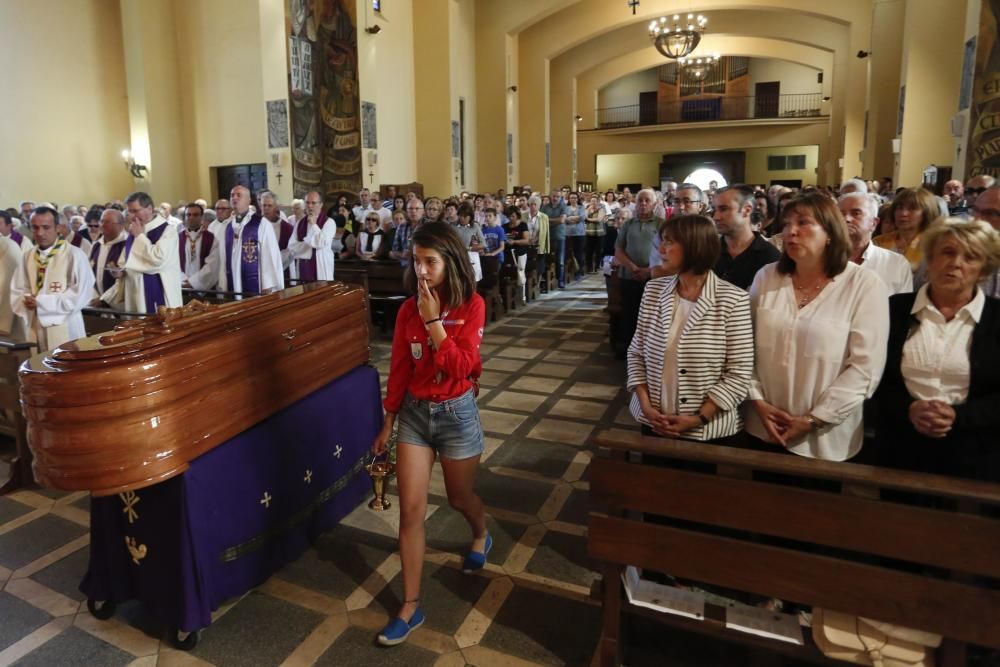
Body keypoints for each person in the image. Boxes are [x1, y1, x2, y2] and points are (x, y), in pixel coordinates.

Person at [371, 222, 487, 647]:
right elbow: (400, 368)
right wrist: (387, 420)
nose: (420, 271)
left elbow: (463, 368)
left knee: (460, 498)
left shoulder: (472, 305)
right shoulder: (406, 311)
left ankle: (479, 532)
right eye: (416, 261)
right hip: (416, 418)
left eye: (430, 262)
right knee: (411, 512)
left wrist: (435, 321)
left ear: (450, 261)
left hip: (456, 414)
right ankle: (410, 605)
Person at [747, 192, 889, 462]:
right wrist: (757, 401)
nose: (791, 232)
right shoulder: (767, 277)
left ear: (831, 232)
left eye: (803, 223)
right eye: (787, 224)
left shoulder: (863, 284)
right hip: (763, 426)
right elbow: (744, 347)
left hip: (826, 438)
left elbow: (865, 367)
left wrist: (814, 419)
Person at [875, 218, 1000, 481]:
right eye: (947, 252)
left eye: (971, 257)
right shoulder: (894, 310)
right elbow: (873, 377)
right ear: (930, 259)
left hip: (975, 455)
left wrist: (958, 416)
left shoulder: (997, 319)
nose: (956, 263)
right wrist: (908, 408)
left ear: (984, 269)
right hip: (900, 449)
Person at [627, 215, 753, 441]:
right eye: (662, 241)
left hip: (707, 428)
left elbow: (739, 371)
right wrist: (646, 407)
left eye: (669, 242)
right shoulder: (654, 290)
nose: (661, 249)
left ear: (695, 247)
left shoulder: (732, 299)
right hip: (654, 420)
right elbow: (636, 352)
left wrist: (699, 418)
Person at [11, 206, 95, 351]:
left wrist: (42, 302)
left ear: (58, 228)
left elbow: (81, 293)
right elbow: (18, 287)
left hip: (66, 325)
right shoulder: (28, 256)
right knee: (40, 367)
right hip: (35, 324)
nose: (40, 233)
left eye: (46, 227)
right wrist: (26, 300)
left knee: (69, 369)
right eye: (35, 227)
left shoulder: (74, 255)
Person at [100, 191, 183, 313]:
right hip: (135, 293)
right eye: (129, 211)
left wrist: (139, 236)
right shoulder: (135, 230)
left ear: (149, 208)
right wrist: (120, 272)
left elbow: (157, 260)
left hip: (159, 292)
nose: (131, 216)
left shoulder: (167, 231)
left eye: (135, 211)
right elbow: (126, 261)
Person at [614, 189, 661, 352]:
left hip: (654, 278)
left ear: (655, 204)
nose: (643, 204)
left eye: (647, 200)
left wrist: (648, 271)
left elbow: (667, 252)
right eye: (640, 200)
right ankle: (630, 351)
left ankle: (648, 352)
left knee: (651, 318)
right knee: (629, 314)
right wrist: (633, 268)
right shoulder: (629, 224)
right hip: (629, 276)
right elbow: (619, 249)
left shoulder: (661, 224)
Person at [838, 192, 912, 294]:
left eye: (856, 213)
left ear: (874, 223)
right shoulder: (820, 259)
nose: (846, 219)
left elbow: (901, 308)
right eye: (841, 214)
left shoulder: (896, 264)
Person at [217, 185, 284, 294]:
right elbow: (223, 259)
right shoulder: (227, 226)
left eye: (239, 195)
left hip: (256, 288)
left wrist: (268, 284)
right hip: (232, 285)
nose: (234, 198)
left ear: (248, 200)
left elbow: (270, 255)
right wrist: (223, 284)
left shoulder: (261, 224)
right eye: (232, 195)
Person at [712, 185, 781, 290]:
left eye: (723, 209)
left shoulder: (770, 257)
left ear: (746, 210)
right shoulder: (708, 251)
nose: (716, 217)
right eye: (714, 209)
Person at [873, 186, 940, 274]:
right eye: (900, 208)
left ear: (926, 213)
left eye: (912, 208)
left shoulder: (933, 244)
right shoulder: (879, 242)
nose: (903, 213)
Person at [289, 190, 336, 281]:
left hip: (322, 267)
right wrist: (310, 244)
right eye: (307, 203)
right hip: (303, 267)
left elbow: (321, 243)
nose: (310, 206)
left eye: (313, 203)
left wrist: (314, 225)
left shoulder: (329, 222)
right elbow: (292, 246)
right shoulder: (300, 223)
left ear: (321, 204)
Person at [89, 208, 129, 301]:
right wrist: (95, 297)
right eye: (102, 221)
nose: (102, 225)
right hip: (95, 300)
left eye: (108, 222)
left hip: (117, 303)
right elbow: (89, 273)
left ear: (120, 226)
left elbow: (126, 279)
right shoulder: (96, 245)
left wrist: (104, 299)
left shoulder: (127, 245)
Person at [179, 203, 219, 290]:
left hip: (203, 288)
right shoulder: (177, 238)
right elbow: (172, 263)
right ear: (184, 217)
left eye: (195, 215)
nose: (191, 217)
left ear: (201, 217)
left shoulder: (211, 238)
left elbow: (212, 265)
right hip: (182, 287)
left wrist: (193, 282)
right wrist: (183, 280)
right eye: (188, 215)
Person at [260, 192, 295, 281]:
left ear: (276, 207)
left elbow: (290, 253)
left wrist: (272, 265)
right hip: (260, 273)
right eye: (264, 205)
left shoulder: (287, 229)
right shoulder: (255, 226)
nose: (266, 208)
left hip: (281, 272)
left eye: (269, 206)